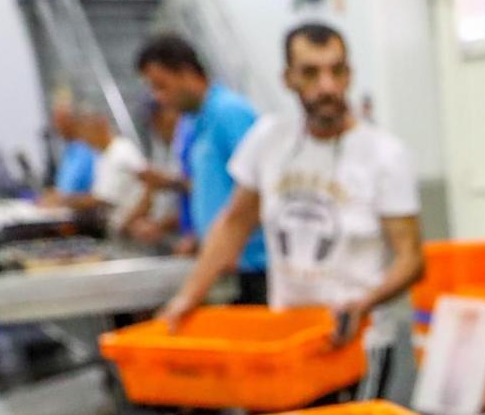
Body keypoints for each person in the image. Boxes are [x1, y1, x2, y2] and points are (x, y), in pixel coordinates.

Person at [159, 23, 423, 345]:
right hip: (289, 336)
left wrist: (362, 305)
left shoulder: (385, 154)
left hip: (359, 342)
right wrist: (187, 298)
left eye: (336, 71)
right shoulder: (269, 139)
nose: (326, 86)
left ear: (349, 75)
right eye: (310, 73)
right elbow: (234, 223)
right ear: (288, 78)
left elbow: (411, 259)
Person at [136, 34, 267, 300]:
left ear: (186, 73)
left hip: (251, 268)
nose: (159, 97)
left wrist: (230, 244)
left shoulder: (230, 113)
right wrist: (199, 238)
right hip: (223, 265)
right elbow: (214, 191)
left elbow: (260, 190)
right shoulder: (195, 121)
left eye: (162, 86)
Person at [50, 109, 146, 234]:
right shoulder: (102, 157)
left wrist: (64, 201)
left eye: (86, 131)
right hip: (114, 227)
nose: (84, 138)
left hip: (130, 228)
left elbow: (101, 200)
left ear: (101, 126)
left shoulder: (122, 150)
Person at [119, 103, 187, 246]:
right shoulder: (161, 146)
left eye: (159, 118)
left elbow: (198, 191)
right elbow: (151, 190)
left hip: (186, 235)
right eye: (152, 121)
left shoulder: (188, 143)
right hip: (166, 234)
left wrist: (159, 226)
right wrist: (130, 223)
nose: (156, 125)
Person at [44, 93, 96, 200]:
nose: (57, 126)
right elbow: (64, 189)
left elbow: (95, 194)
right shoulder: (69, 150)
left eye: (60, 121)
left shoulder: (89, 150)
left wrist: (62, 200)